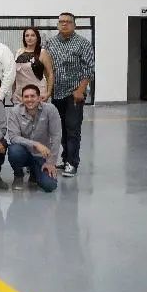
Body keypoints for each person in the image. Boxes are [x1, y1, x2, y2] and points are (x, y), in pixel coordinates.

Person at [43, 12, 94, 178]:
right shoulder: (50, 43)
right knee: (61, 129)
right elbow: (47, 68)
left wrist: (80, 90)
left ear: (74, 25)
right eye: (61, 22)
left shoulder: (83, 43)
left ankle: (72, 163)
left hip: (74, 94)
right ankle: (65, 159)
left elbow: (89, 69)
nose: (64, 24)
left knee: (72, 129)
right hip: (56, 93)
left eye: (68, 22)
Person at [6, 84, 61, 192]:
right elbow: (13, 137)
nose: (29, 99)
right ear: (22, 99)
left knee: (50, 185)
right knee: (14, 150)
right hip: (24, 153)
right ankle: (18, 175)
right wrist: (35, 144)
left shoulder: (50, 110)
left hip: (42, 156)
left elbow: (56, 136)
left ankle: (34, 172)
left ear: (39, 98)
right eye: (26, 97)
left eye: (33, 96)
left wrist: (51, 162)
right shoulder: (15, 112)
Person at [13, 27, 54, 102]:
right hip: (20, 95)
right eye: (27, 35)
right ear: (24, 38)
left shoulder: (43, 53)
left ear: (37, 38)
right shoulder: (18, 52)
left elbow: (50, 74)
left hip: (38, 94)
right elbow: (14, 75)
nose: (29, 38)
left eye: (32, 35)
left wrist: (48, 93)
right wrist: (13, 92)